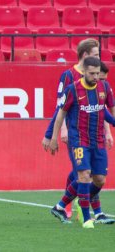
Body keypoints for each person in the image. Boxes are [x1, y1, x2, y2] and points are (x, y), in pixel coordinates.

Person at [42, 38, 113, 220]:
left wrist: (107, 131)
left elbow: (100, 107)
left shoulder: (96, 76)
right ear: (85, 55)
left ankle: (72, 207)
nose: (98, 58)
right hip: (76, 132)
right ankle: (89, 212)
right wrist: (56, 133)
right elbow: (61, 107)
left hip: (95, 132)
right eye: (96, 55)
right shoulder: (68, 76)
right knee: (83, 172)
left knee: (87, 173)